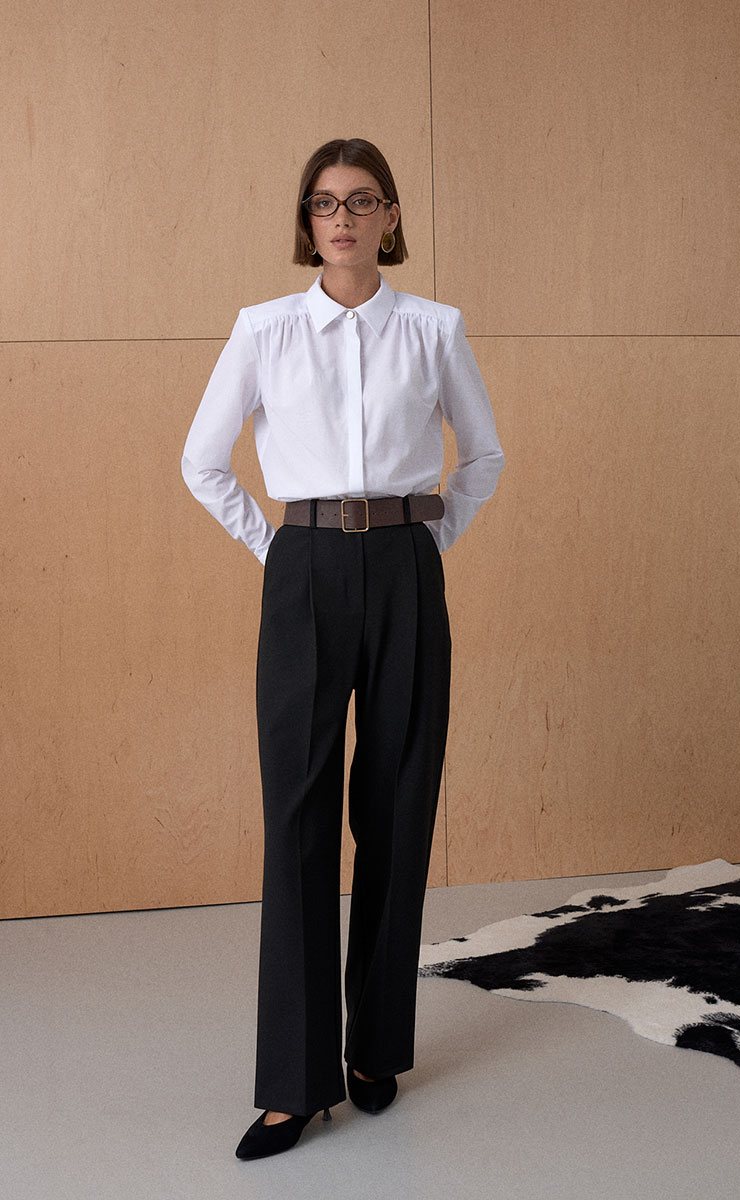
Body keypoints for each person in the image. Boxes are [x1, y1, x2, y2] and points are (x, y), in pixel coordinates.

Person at [181, 137, 504, 1159]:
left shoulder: (434, 328)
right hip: (306, 571)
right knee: (299, 814)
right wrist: (279, 550)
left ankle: (374, 1052)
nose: (343, 219)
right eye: (325, 203)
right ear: (307, 221)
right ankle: (294, 1081)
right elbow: (202, 461)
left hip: (406, 565)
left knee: (398, 807)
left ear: (390, 218)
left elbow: (483, 456)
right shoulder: (265, 329)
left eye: (363, 201)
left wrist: (424, 546)